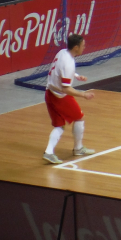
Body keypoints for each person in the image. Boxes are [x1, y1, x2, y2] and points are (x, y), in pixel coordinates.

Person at [42, 34, 95, 164]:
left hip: (49, 93)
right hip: (60, 97)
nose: (84, 47)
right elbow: (66, 89)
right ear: (76, 47)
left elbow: (61, 71)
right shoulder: (69, 63)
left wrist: (76, 76)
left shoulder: (62, 53)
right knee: (79, 117)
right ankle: (78, 148)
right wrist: (84, 94)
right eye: (83, 45)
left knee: (59, 126)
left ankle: (48, 152)